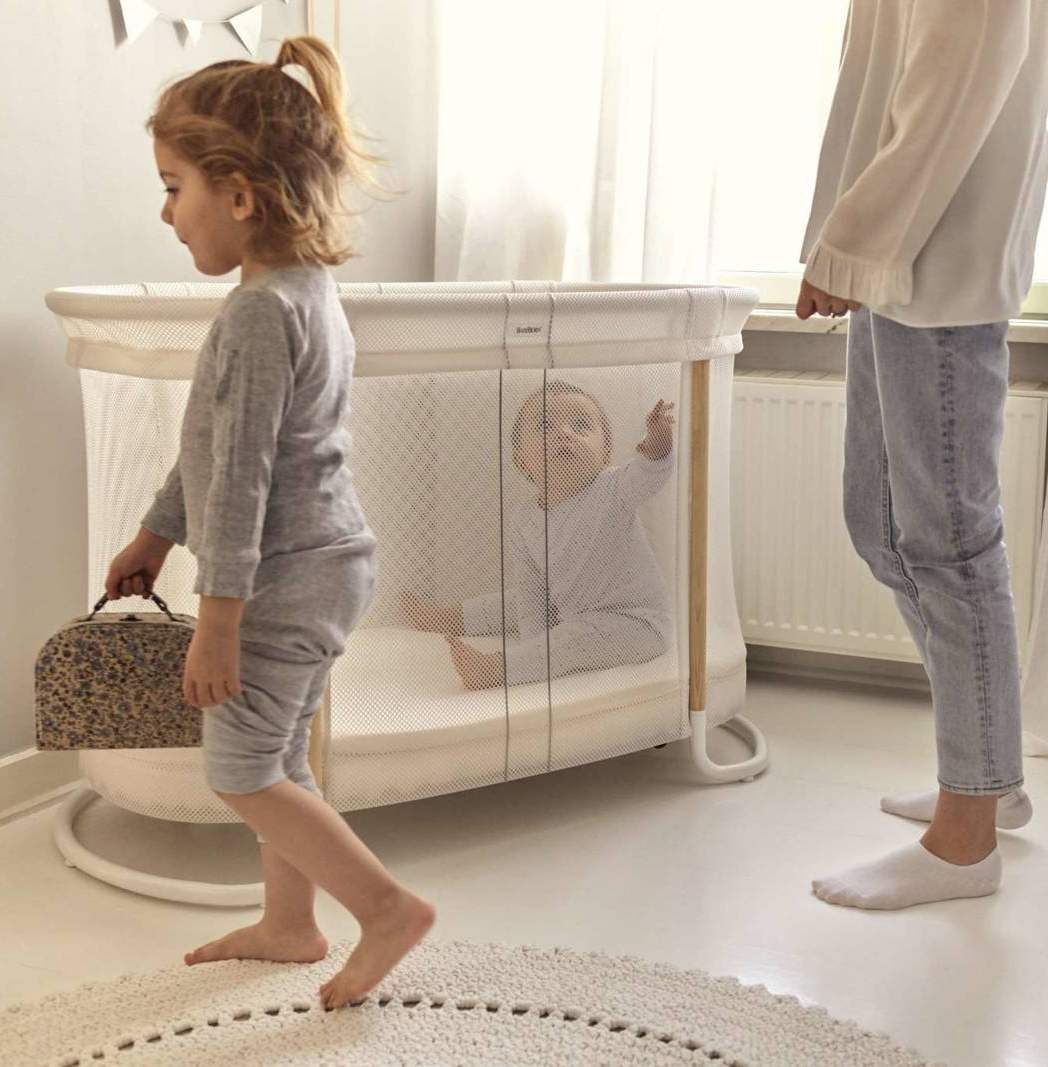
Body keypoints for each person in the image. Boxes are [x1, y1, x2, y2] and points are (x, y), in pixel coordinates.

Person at [103, 37, 434, 1006]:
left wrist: (217, 620)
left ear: (240, 195)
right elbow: (215, 443)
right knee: (278, 756)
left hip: (287, 572)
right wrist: (157, 531)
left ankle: (386, 908)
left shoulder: (258, 313)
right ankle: (291, 924)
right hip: (322, 560)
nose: (166, 213)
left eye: (175, 188)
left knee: (241, 770)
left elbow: (242, 480)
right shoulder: (298, 292)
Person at [798, 0, 1048, 909]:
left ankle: (965, 840)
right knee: (877, 525)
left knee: (951, 547)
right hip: (900, 262)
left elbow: (958, 80)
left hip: (938, 262)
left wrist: (851, 242)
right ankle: (989, 772)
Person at [403, 385, 674, 689]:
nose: (564, 433)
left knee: (573, 638)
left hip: (637, 624)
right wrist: (534, 647)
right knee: (519, 600)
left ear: (605, 453)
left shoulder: (613, 488)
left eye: (580, 425)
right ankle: (452, 618)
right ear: (522, 462)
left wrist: (658, 443)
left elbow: (649, 476)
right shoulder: (524, 521)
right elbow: (531, 591)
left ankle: (496, 670)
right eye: (545, 426)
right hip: (567, 610)